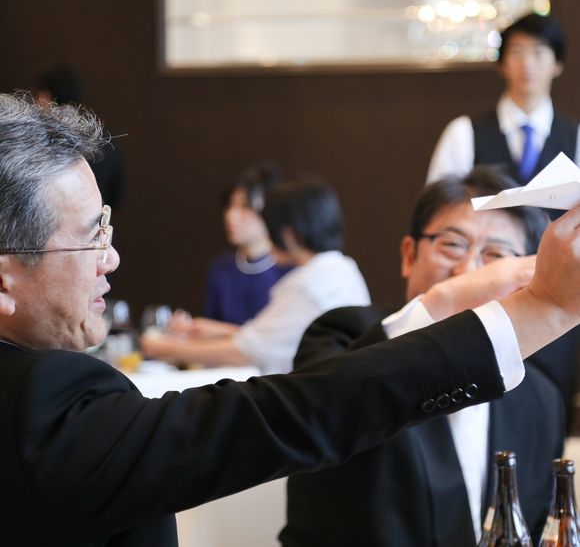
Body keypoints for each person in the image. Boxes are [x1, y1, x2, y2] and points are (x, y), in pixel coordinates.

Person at [1, 93, 580, 547]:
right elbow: (296, 411)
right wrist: (542, 307)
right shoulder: (39, 404)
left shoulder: (540, 399)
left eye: (107, 228)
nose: (111, 258)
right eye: (91, 238)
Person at [281, 167, 573, 547]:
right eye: (452, 245)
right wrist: (445, 300)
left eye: (496, 255)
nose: (470, 270)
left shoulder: (540, 399)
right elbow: (321, 418)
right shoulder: (341, 336)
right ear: (409, 255)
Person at [141, 177, 371, 374]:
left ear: (289, 234)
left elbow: (250, 351)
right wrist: (215, 331)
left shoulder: (308, 286)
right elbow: (278, 338)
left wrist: (162, 348)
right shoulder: (342, 269)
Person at [427, 12, 580, 185]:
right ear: (502, 64)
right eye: (517, 52)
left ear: (557, 64)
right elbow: (441, 199)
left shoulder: (576, 137)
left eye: (538, 52)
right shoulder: (463, 133)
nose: (527, 63)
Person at [204, 164, 292, 325]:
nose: (231, 215)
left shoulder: (290, 271)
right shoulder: (221, 268)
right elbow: (209, 328)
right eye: (230, 205)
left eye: (245, 206)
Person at [33, 64, 125, 210]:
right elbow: (116, 196)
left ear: (45, 97)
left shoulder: (39, 139)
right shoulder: (106, 138)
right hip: (99, 219)